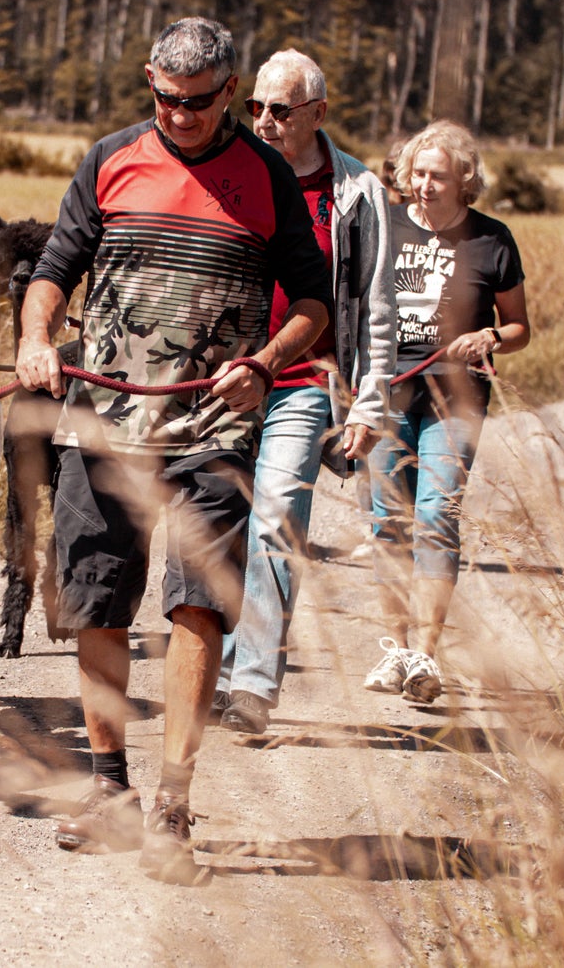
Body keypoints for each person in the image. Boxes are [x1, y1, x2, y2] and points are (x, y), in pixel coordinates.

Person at [16, 17, 332, 885]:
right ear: (148, 78)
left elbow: (313, 300)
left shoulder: (266, 177)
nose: (180, 115)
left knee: (197, 606)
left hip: (213, 429)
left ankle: (173, 804)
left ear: (228, 92)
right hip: (107, 419)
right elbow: (54, 267)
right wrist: (36, 337)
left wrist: (265, 365)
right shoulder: (109, 158)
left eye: (197, 102)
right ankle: (109, 788)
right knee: (97, 602)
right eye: (165, 97)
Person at [214, 49, 396, 736]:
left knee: (274, 519)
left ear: (317, 113)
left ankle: (251, 683)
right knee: (220, 525)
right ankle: (217, 666)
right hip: (224, 379)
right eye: (254, 106)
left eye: (279, 110)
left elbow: (375, 300)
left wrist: (371, 399)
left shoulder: (355, 191)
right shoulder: (231, 170)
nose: (263, 121)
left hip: (305, 379)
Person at [363, 120, 531, 704]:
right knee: (389, 521)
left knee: (436, 514)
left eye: (437, 175)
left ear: (465, 180)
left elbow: (519, 329)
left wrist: (490, 336)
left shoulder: (492, 239)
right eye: (417, 173)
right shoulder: (384, 226)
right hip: (388, 392)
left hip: (456, 398)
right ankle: (395, 649)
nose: (424, 185)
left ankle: (425, 659)